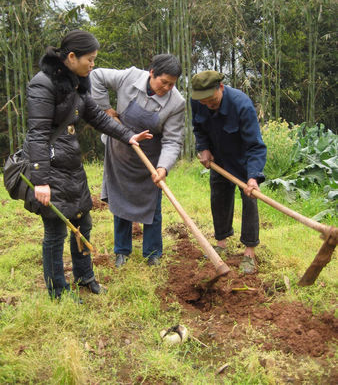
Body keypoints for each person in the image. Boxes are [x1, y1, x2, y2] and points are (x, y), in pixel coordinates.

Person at [22, 30, 152, 300]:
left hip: (71, 162)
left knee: (83, 222)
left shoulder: (78, 82)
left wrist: (128, 136)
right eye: (90, 59)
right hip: (50, 164)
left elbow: (96, 116)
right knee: (56, 231)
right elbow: (37, 134)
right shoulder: (43, 84)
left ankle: (85, 277)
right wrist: (41, 181)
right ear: (71, 57)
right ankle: (58, 290)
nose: (93, 65)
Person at [90, 54, 185, 267]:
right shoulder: (129, 77)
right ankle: (121, 252)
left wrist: (163, 167)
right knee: (120, 200)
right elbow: (96, 76)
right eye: (164, 82)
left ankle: (153, 254)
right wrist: (105, 110)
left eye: (172, 84)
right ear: (152, 73)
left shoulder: (176, 103)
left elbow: (173, 140)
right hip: (120, 151)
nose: (167, 88)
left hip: (149, 159)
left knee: (152, 205)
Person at [191, 70, 266, 274]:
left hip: (243, 160)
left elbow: (255, 146)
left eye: (211, 100)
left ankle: (249, 252)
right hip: (219, 159)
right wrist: (203, 148)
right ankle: (221, 242)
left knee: (250, 200)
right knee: (219, 198)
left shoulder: (242, 105)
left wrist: (253, 176)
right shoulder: (197, 101)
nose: (207, 105)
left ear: (221, 88)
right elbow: (198, 127)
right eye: (203, 102)